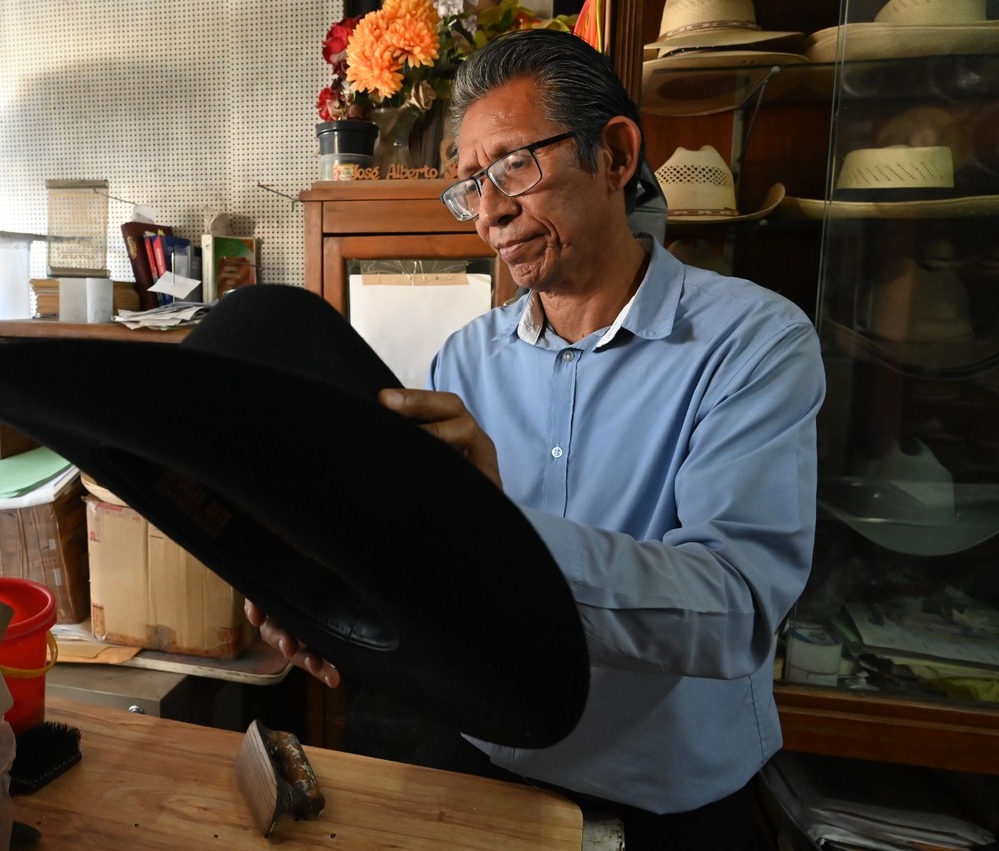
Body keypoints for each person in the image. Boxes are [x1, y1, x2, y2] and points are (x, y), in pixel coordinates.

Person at [249, 28, 825, 851]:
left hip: (665, 790)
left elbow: (735, 610)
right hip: (489, 750)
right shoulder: (467, 358)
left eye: (514, 164)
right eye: (470, 184)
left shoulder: (752, 341)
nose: (488, 212)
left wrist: (496, 536)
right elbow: (436, 580)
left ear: (617, 154)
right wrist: (319, 588)